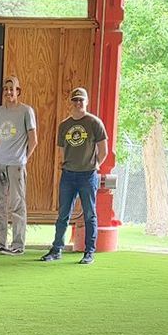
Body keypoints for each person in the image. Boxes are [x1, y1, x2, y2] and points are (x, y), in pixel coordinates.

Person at [42, 87, 108, 264]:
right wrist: (68, 165)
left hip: (88, 175)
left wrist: (94, 166)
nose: (78, 103)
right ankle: (56, 249)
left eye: (81, 100)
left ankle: (89, 252)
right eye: (75, 100)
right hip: (68, 175)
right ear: (70, 102)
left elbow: (104, 150)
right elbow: (62, 151)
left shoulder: (94, 123)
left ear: (86, 102)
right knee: (63, 214)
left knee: (89, 214)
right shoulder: (64, 125)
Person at [0, 76, 37, 256]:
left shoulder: (26, 111)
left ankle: (18, 245)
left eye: (12, 89)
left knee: (17, 204)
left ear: (18, 91)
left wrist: (24, 159)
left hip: (16, 163)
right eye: (6, 89)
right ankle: (0, 242)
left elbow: (33, 140)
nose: (8, 92)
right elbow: (1, 135)